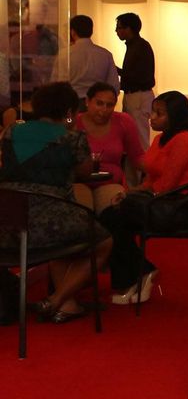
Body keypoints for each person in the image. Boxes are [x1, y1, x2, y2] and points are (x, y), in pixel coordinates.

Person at [0, 82, 113, 324]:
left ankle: (66, 304)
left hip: (9, 223)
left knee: (65, 237)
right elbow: (84, 172)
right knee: (103, 241)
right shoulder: (72, 138)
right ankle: (55, 300)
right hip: (51, 222)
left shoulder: (11, 132)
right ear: (70, 111)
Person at [101, 91, 188, 305]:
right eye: (153, 112)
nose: (152, 117)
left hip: (184, 206)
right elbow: (151, 180)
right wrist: (129, 193)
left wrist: (134, 196)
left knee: (113, 219)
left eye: (159, 113)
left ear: (174, 116)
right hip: (163, 201)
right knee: (110, 217)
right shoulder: (160, 140)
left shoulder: (184, 140)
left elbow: (166, 185)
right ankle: (138, 274)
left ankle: (136, 275)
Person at [74, 82, 145, 215]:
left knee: (114, 212)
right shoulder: (74, 123)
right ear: (87, 101)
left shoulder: (123, 121)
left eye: (110, 105)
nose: (104, 110)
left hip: (110, 183)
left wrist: (159, 167)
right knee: (80, 212)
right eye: (99, 103)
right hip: (79, 182)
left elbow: (137, 156)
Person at [114, 12, 155, 158]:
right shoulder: (138, 46)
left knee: (139, 140)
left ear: (128, 28)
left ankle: (142, 177)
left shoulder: (139, 47)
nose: (116, 31)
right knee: (135, 139)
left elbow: (137, 76)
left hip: (137, 95)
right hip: (136, 95)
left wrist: (116, 70)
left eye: (119, 28)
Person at [65, 15, 119, 103]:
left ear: (72, 32)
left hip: (72, 102)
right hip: (98, 102)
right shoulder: (105, 54)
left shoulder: (65, 54)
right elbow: (114, 85)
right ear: (91, 31)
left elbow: (58, 83)